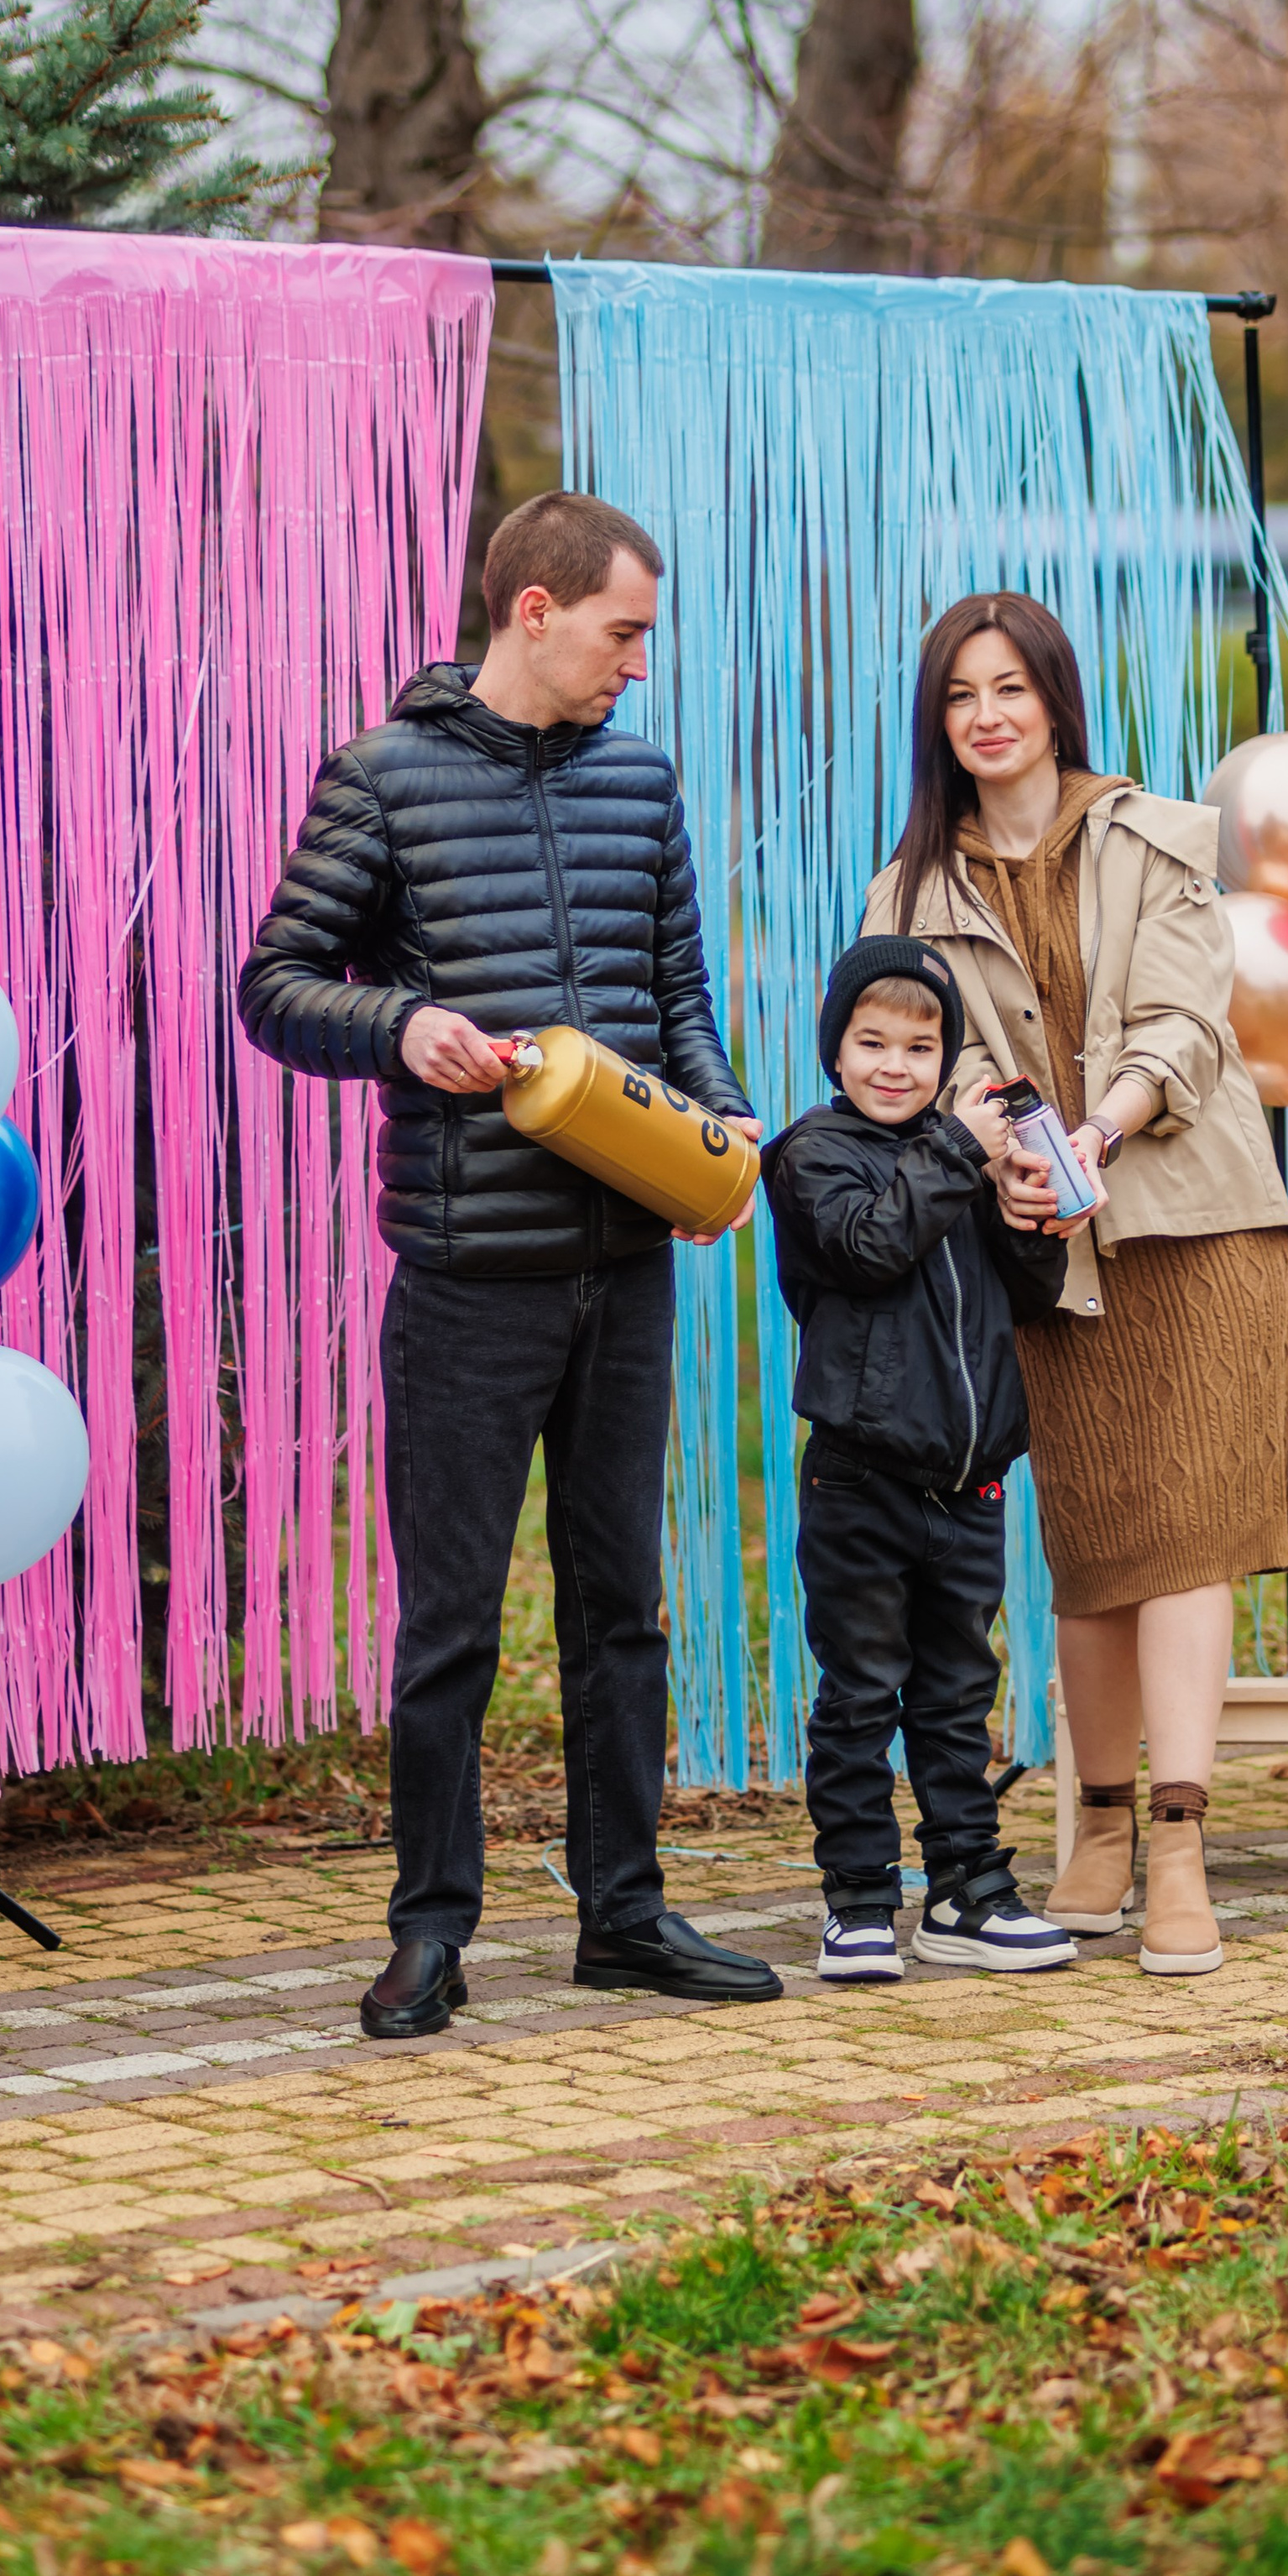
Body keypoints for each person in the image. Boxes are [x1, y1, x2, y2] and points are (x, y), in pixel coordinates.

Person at [237, 489, 780, 2037]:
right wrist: (397, 1024)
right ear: (533, 613)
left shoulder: (642, 782)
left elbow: (678, 1000)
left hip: (631, 1266)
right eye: (626, 632)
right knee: (452, 1623)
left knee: (625, 1610)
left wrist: (720, 1128)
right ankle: (430, 1932)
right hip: (470, 1279)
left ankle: (627, 1916)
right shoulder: (381, 779)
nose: (640, 665)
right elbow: (273, 987)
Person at [863, 592, 1288, 1978]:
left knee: (1182, 1536)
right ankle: (1101, 1824)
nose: (990, 715)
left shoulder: (1162, 836)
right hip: (1042, 1249)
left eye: (1013, 688)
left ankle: (1177, 1840)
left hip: (1193, 1229)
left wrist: (1099, 1131)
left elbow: (1188, 1025)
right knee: (1094, 1546)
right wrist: (999, 1149)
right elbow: (924, 1059)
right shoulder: (911, 892)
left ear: (1057, 698)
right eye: (962, 696)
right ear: (940, 722)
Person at [762, 937, 1075, 1984]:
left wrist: (1031, 1211)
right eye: (872, 1043)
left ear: (946, 1059)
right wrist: (956, 1156)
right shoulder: (814, 1155)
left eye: (919, 1046)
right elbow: (865, 1247)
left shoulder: (961, 1162)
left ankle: (967, 1894)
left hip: (969, 1485)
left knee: (953, 1701)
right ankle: (856, 1905)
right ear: (835, 1050)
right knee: (860, 1698)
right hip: (860, 1482)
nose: (894, 1065)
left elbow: (1023, 1300)